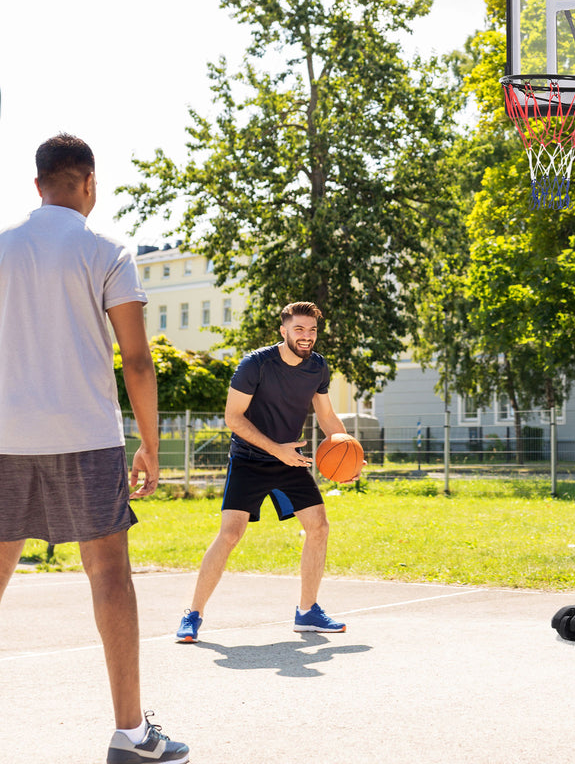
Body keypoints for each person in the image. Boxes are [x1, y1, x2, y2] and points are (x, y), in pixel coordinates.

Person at [0, 134, 189, 764]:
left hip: (4, 436)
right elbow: (136, 359)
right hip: (85, 436)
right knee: (109, 573)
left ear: (37, 185)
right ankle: (131, 735)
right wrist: (151, 448)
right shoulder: (109, 250)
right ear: (87, 182)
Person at [176, 301, 351, 642]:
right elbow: (233, 418)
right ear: (283, 330)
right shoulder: (255, 364)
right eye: (299, 329)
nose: (307, 336)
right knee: (230, 534)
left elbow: (327, 417)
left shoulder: (317, 367)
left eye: (312, 330)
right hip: (250, 459)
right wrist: (277, 450)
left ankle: (307, 612)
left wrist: (348, 453)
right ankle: (192, 614)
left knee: (319, 527)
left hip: (290, 460)